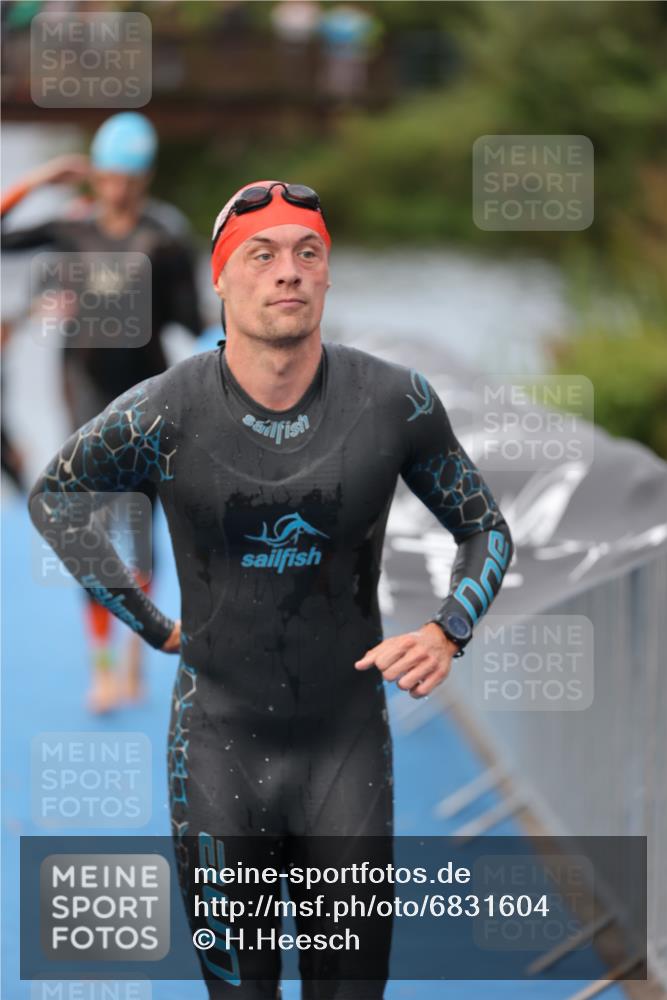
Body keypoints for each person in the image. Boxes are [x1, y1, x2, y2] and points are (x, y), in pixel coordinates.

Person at [28, 180, 514, 998]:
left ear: (326, 279)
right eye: (261, 255)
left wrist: (446, 630)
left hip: (346, 747)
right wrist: (149, 623)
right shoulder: (161, 413)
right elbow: (54, 497)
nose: (287, 271)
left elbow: (485, 529)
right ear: (220, 279)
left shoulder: (394, 401)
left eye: (307, 254)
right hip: (216, 746)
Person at [2, 111, 205, 713]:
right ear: (95, 176)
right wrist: (40, 179)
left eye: (128, 179)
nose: (116, 189)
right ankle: (102, 669)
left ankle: (138, 651)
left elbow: (192, 322)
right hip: (82, 396)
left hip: (144, 400)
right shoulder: (71, 229)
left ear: (142, 180)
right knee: (89, 533)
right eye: (108, 176)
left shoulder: (164, 239)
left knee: (139, 534)